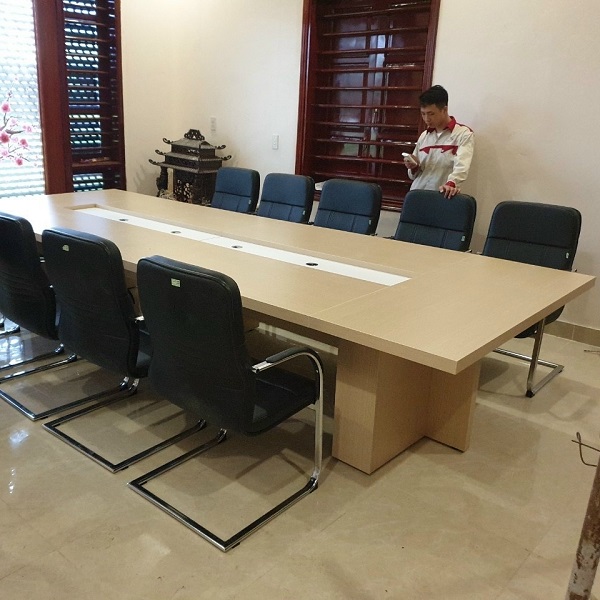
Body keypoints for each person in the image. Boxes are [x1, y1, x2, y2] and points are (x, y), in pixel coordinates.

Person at [403, 85, 474, 199]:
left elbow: (462, 167)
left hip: (442, 197)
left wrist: (451, 184)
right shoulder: (424, 136)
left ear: (444, 110)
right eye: (423, 114)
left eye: (431, 114)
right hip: (417, 195)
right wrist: (413, 166)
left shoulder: (463, 134)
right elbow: (413, 175)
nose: (426, 119)